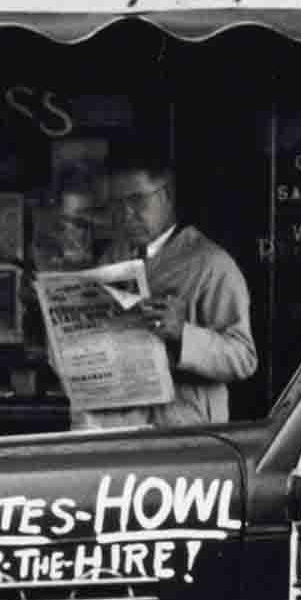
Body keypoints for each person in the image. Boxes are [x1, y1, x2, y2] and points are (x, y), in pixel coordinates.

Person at [86, 162, 256, 428]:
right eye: (116, 205)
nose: (125, 214)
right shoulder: (112, 257)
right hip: (117, 431)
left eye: (136, 200)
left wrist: (183, 333)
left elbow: (243, 358)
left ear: (167, 196)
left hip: (181, 434)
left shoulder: (211, 264)